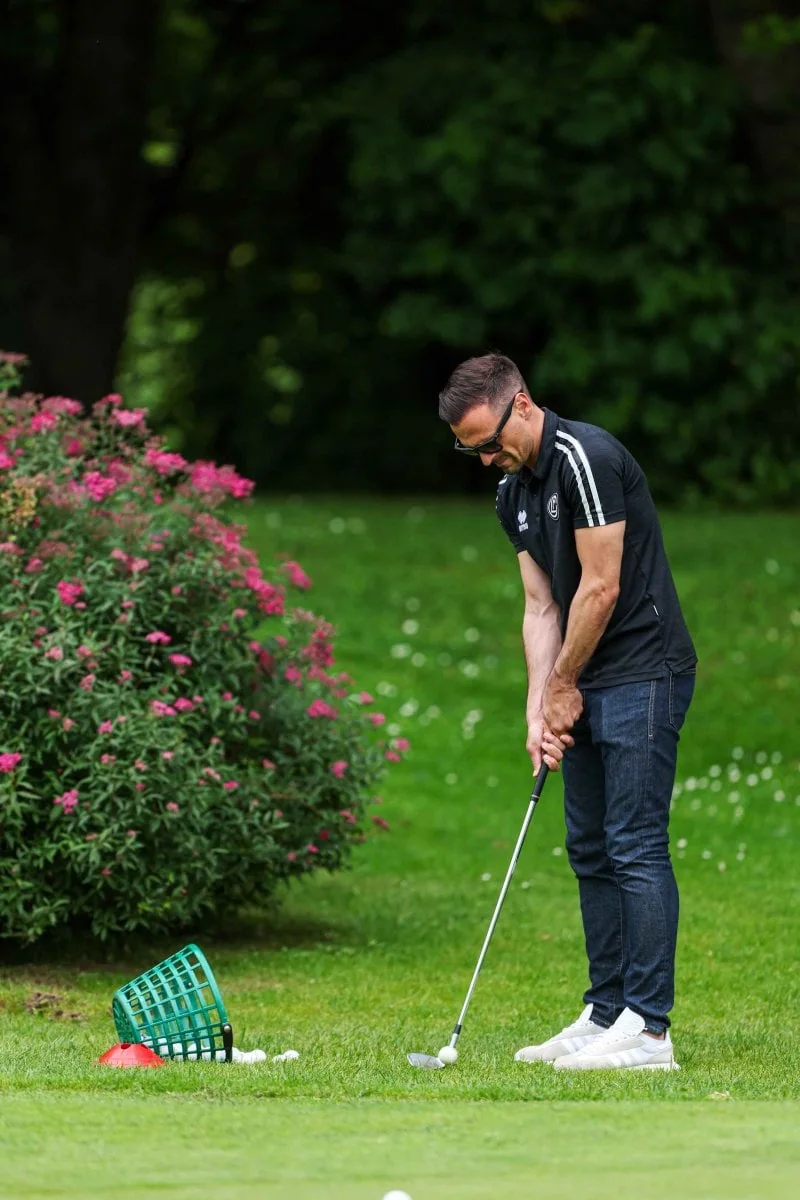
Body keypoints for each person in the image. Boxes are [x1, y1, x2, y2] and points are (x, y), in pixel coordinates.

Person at [439, 353, 697, 1071]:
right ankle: (606, 1010)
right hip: (582, 677)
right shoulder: (510, 494)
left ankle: (649, 1031)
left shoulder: (586, 457)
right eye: (473, 451)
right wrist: (537, 708)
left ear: (522, 404)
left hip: (644, 669)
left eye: (491, 440)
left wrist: (564, 686)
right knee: (588, 847)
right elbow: (541, 603)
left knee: (634, 844)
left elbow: (600, 588)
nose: (489, 458)